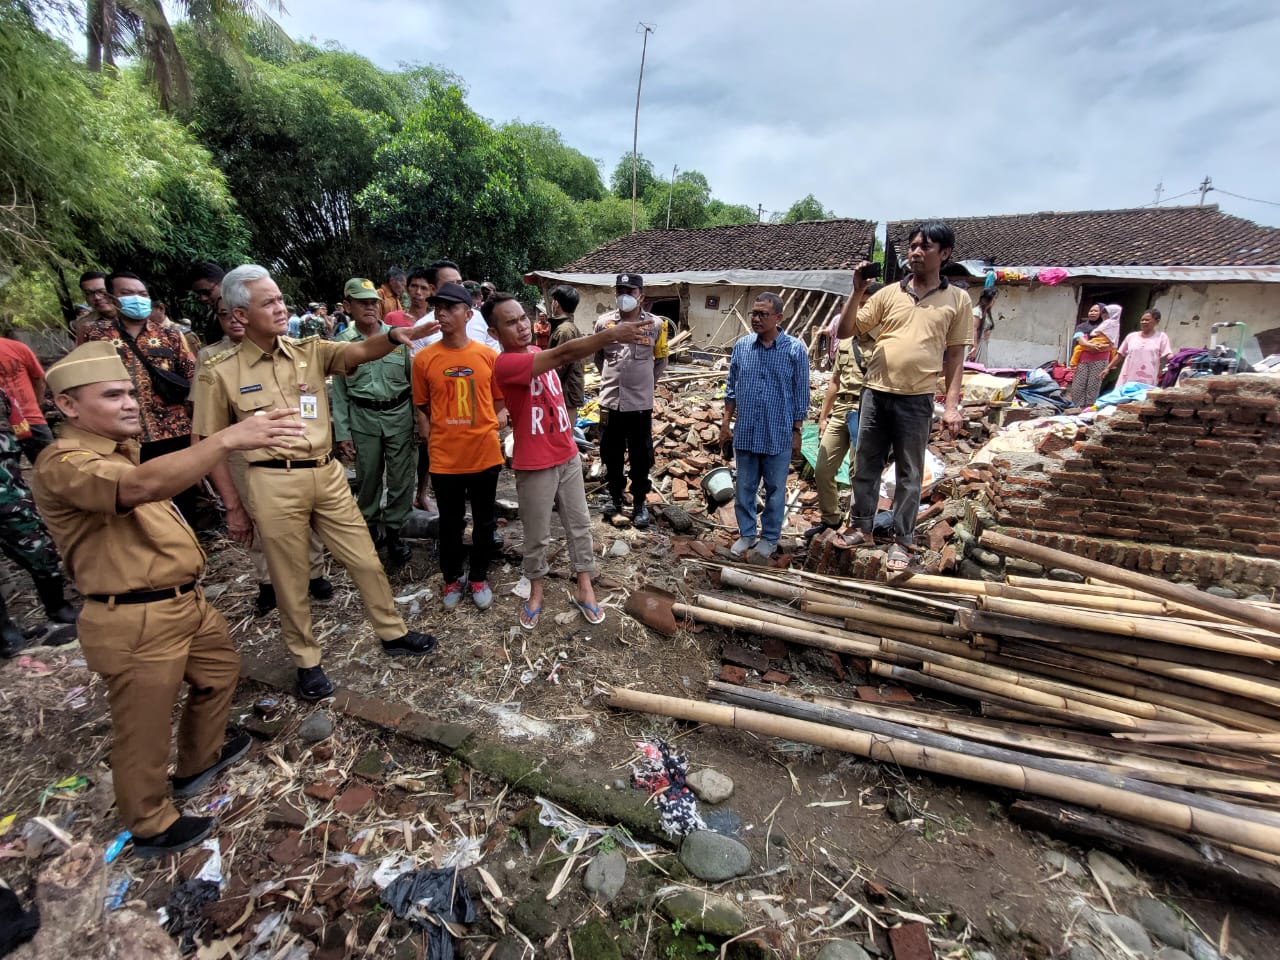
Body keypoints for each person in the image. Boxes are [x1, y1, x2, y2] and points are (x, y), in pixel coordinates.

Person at [32, 342, 308, 855]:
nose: (130, 403)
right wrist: (227, 438)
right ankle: (150, 822)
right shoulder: (65, 464)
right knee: (144, 727)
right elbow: (136, 489)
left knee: (219, 673)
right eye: (112, 395)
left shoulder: (118, 451)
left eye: (129, 392)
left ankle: (200, 762)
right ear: (69, 406)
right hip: (135, 616)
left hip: (185, 603)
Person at [192, 265, 441, 700]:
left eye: (279, 299)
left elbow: (356, 352)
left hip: (326, 474)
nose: (280, 307)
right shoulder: (220, 370)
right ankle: (306, 660)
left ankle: (392, 632)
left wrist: (392, 337)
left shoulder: (309, 350)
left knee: (364, 559)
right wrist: (233, 506)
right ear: (240, 314)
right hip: (272, 480)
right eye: (268, 302)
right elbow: (209, 444)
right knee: (290, 578)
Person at [487, 292, 649, 629]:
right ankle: (536, 591)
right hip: (534, 463)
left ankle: (584, 587)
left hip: (567, 454)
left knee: (580, 526)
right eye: (510, 322)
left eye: (522, 318)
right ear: (494, 332)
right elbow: (564, 353)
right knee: (537, 534)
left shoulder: (536, 352)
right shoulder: (505, 363)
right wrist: (611, 335)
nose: (522, 326)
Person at [834, 221, 973, 572]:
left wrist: (951, 406)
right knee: (865, 464)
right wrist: (857, 290)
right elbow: (847, 330)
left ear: (945, 253)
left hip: (917, 397)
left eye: (925, 246)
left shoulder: (957, 300)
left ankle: (903, 539)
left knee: (910, 473)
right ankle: (861, 527)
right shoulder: (888, 294)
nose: (915, 252)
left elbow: (956, 356)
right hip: (875, 392)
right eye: (912, 246)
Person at [193, 296, 331, 617]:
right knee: (258, 519)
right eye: (225, 315)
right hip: (245, 453)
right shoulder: (212, 359)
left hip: (293, 444)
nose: (233, 321)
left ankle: (314, 573)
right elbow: (206, 422)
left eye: (238, 314)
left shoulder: (288, 349)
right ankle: (268, 581)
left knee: (308, 512)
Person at [79, 271, 201, 523]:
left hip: (172, 429)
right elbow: (83, 380)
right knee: (138, 496)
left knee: (182, 492)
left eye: (142, 294)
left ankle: (187, 537)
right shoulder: (94, 335)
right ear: (112, 298)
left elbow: (192, 377)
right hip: (123, 434)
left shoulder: (170, 335)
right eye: (127, 293)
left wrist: (197, 425)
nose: (137, 299)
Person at [412, 282, 506, 610]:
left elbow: (499, 401)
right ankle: (452, 577)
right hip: (444, 458)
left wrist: (479, 424)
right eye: (437, 307)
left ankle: (478, 575)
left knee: (484, 521)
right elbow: (423, 405)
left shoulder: (488, 356)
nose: (441, 313)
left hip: (484, 455)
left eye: (450, 307)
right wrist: (443, 427)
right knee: (450, 524)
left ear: (468, 314)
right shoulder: (424, 359)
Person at [331, 278, 417, 568]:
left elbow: (413, 383)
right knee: (368, 478)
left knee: (402, 478)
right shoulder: (341, 343)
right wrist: (342, 433)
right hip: (363, 419)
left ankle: (394, 531)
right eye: (362, 303)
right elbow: (339, 394)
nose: (370, 307)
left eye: (373, 302)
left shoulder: (397, 337)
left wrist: (418, 422)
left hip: (399, 415)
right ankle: (369, 527)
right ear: (348, 306)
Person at [718, 293, 810, 560]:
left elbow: (801, 395)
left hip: (777, 433)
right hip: (747, 431)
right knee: (744, 488)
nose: (756, 319)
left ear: (778, 317)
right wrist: (725, 423)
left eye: (763, 314)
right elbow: (731, 389)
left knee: (775, 490)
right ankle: (747, 534)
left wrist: (797, 432)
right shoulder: (743, 346)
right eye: (754, 314)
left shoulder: (794, 350)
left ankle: (769, 537)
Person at [0, 386, 76, 654]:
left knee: (41, 551)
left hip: (10, 498)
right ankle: (5, 633)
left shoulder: (3, 396)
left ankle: (58, 607)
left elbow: (23, 434)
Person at [807, 283, 882, 540]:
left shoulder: (884, 343)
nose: (860, 311)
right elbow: (835, 381)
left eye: (866, 306)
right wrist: (823, 417)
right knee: (823, 469)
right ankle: (831, 519)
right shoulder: (846, 342)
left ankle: (857, 525)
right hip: (840, 410)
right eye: (857, 306)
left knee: (859, 472)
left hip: (866, 411)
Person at [594, 273, 665, 528]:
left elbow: (661, 359)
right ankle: (615, 498)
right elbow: (599, 357)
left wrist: (645, 383)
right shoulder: (604, 323)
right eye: (620, 290)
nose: (624, 295)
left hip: (640, 405)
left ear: (641, 296)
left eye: (630, 291)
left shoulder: (657, 325)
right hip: (610, 402)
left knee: (641, 456)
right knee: (610, 453)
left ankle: (639, 503)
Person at [0, 329, 53, 462]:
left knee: (50, 466)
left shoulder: (17, 348)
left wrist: (37, 404)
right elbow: (39, 380)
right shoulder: (18, 347)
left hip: (31, 418)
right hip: (5, 425)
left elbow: (39, 379)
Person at [1106, 308, 1172, 388]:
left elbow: (1168, 354)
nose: (1143, 322)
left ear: (1157, 321)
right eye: (1142, 320)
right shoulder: (1131, 336)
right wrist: (1108, 368)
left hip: (1148, 378)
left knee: (1143, 395)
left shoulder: (1161, 337)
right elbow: (1120, 354)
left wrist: (1178, 359)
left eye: (1147, 320)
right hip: (1128, 377)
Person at [1070, 303, 1119, 407]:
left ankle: (1088, 408)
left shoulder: (1109, 326)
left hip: (1100, 360)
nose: (1092, 313)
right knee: (1078, 385)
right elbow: (1080, 340)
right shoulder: (1082, 326)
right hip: (1083, 360)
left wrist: (1100, 347)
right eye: (1091, 310)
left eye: (1096, 311)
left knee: (1093, 385)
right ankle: (1077, 407)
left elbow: (1112, 344)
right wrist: (1090, 345)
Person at [546, 285, 586, 413]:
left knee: (565, 426)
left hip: (566, 392)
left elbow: (560, 364)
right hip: (566, 390)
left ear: (556, 304)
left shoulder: (565, 330)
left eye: (553, 301)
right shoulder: (566, 327)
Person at [73, 271, 116, 343]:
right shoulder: (84, 324)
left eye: (102, 291)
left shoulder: (131, 314)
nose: (97, 297)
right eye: (89, 293)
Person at [968, 288, 998, 365]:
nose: (994, 300)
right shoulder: (977, 311)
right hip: (977, 344)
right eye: (994, 298)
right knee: (975, 368)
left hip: (983, 344)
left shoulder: (986, 313)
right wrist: (974, 347)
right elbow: (973, 329)